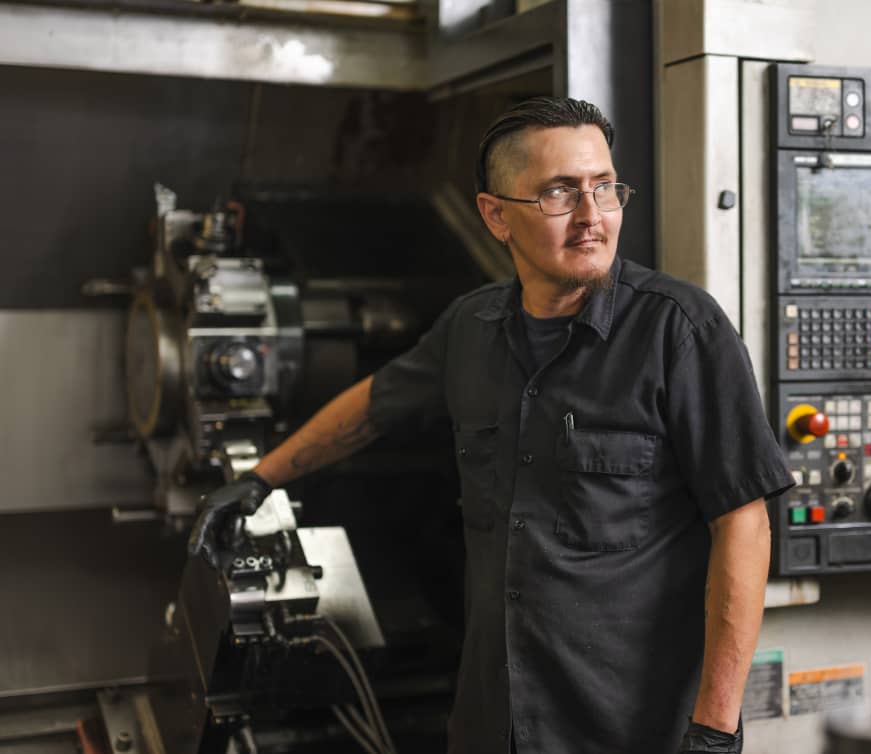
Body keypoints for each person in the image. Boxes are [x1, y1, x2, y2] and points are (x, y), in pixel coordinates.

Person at [189, 96, 794, 754]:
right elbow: (372, 405)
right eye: (562, 194)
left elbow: (743, 524)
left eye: (605, 188)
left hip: (627, 731)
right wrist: (257, 480)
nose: (594, 217)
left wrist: (715, 726)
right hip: (492, 723)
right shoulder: (470, 329)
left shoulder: (681, 330)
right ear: (495, 215)